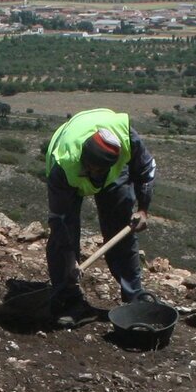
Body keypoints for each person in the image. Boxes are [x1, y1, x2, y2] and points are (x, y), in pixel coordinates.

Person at [42, 107, 157, 323]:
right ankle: (68, 300)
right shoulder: (64, 164)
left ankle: (135, 297)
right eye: (90, 168)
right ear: (84, 158)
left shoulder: (127, 141)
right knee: (62, 239)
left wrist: (143, 210)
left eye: (97, 170)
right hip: (68, 175)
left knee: (121, 228)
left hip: (113, 174)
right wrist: (70, 260)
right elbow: (60, 219)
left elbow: (147, 170)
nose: (92, 174)